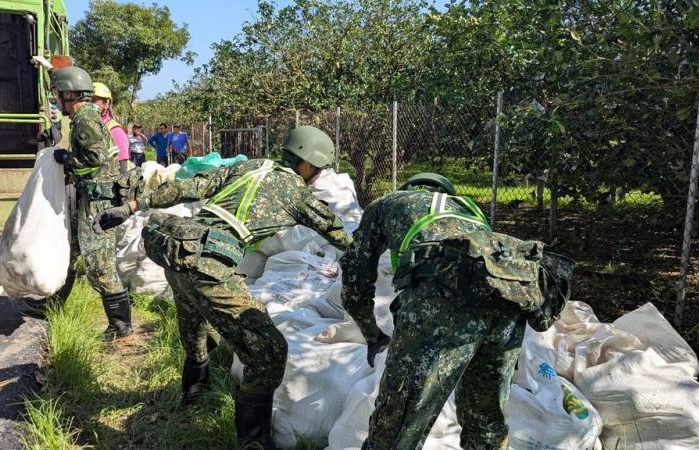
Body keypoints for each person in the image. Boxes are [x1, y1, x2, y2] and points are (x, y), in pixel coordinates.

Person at [95, 126, 353, 448]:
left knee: (196, 324)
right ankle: (253, 442)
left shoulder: (249, 166)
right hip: (208, 262)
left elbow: (191, 186)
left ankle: (193, 397)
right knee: (270, 351)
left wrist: (134, 206)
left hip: (176, 248)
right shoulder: (299, 194)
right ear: (307, 164)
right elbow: (342, 236)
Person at [340, 173, 573, 450]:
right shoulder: (469, 211)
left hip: (440, 304)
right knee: (486, 423)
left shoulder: (386, 204)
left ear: (410, 189)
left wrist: (372, 335)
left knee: (397, 426)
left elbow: (356, 281)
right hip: (508, 309)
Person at [47, 66, 133, 341]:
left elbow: (96, 158)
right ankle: (50, 304)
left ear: (70, 93)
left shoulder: (84, 119)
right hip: (93, 197)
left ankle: (121, 327)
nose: (58, 100)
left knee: (100, 267)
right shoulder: (86, 116)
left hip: (98, 203)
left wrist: (67, 160)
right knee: (73, 252)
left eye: (60, 94)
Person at [92, 82, 130, 175]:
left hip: (106, 186)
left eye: (93, 100)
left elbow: (123, 169)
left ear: (107, 103)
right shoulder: (89, 126)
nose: (89, 104)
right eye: (87, 100)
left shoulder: (115, 130)